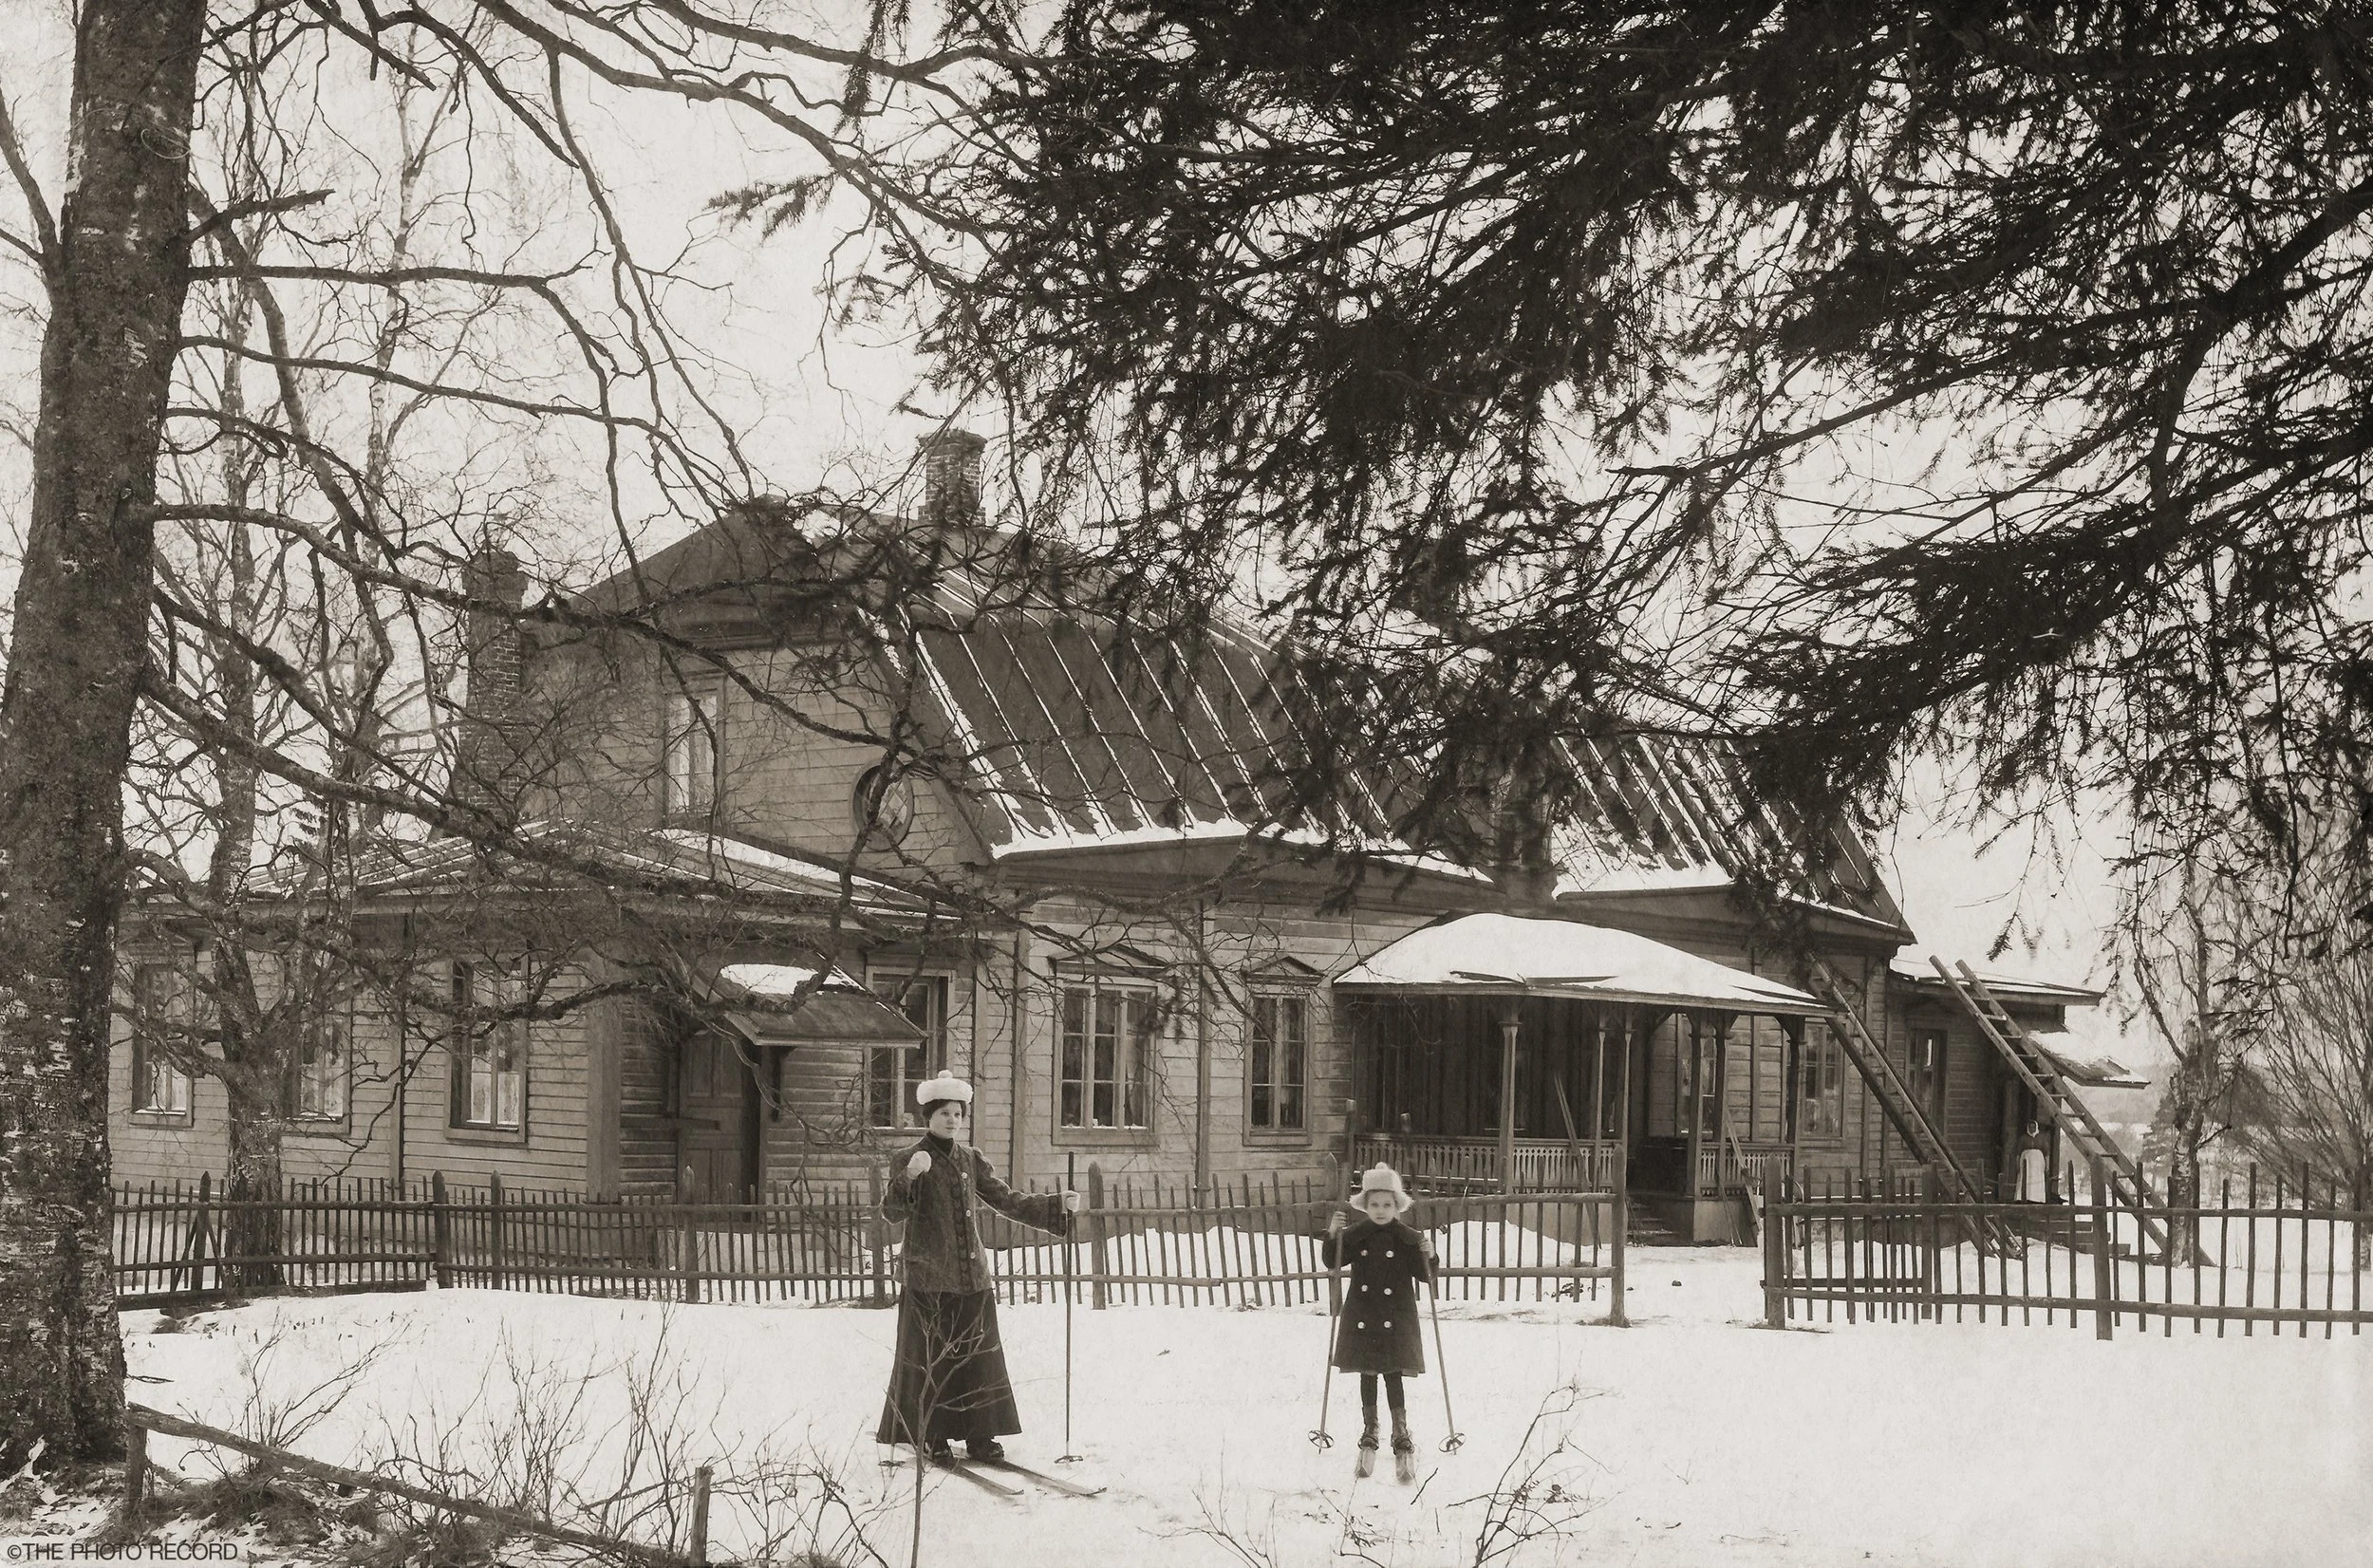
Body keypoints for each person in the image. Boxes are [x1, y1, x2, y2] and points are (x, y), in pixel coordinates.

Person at [876, 1073, 1081, 1465]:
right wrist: (909, 1177)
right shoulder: (909, 1158)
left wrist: (1056, 1205)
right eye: (944, 1114)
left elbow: (1006, 1200)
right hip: (927, 1279)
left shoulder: (970, 1159)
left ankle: (979, 1434)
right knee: (932, 1357)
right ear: (928, 1116)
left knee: (977, 1358)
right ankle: (930, 1433)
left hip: (973, 1278)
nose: (952, 1120)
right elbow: (891, 1212)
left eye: (957, 1114)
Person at [1322, 1163, 1436, 1475]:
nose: (1381, 1210)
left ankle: (1400, 1432)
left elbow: (1426, 1276)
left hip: (1397, 1314)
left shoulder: (1407, 1238)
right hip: (1363, 1312)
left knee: (1394, 1372)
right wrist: (1333, 1233)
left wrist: (1430, 1254)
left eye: (1387, 1205)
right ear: (1365, 1206)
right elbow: (1333, 1261)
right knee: (1368, 1371)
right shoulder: (1356, 1236)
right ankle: (1370, 1429)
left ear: (1397, 1206)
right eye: (1374, 1204)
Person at [2016, 1120, 2051, 1204]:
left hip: (2038, 1163)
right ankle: (2023, 1197)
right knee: (2026, 1177)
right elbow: (2018, 1153)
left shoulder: (2042, 1138)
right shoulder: (2023, 1138)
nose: (2032, 1129)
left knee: (2036, 1179)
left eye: (2033, 1127)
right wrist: (2017, 1164)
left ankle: (2037, 1198)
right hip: (2026, 1161)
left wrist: (2047, 1166)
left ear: (2036, 1127)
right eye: (2030, 1127)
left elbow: (2046, 1153)